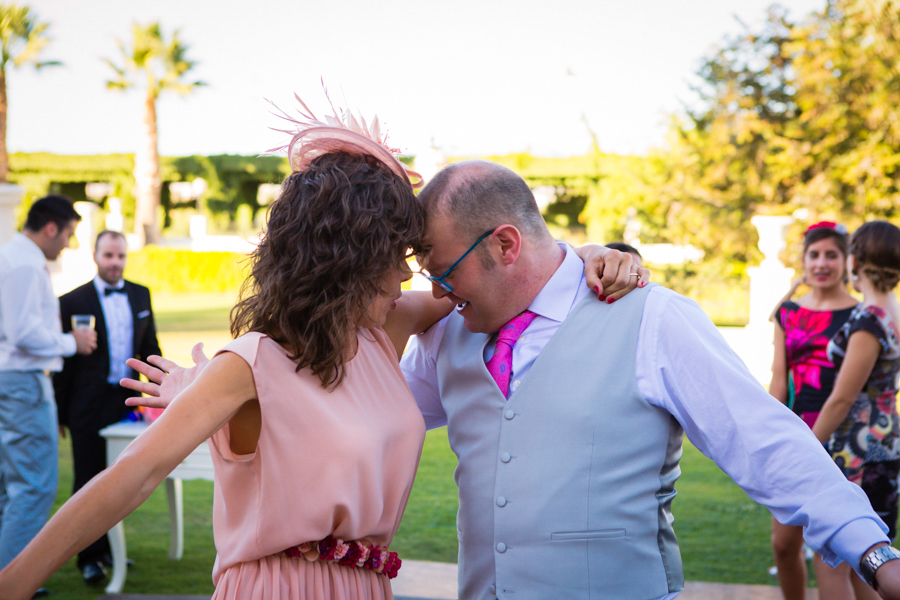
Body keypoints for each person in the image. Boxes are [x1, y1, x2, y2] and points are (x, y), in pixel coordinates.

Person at [120, 159, 900, 599]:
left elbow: (767, 443)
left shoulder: (652, 318)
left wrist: (874, 554)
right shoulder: (452, 338)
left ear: (502, 245)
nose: (434, 292)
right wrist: (221, 391)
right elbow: (340, 408)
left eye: (443, 271)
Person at [0, 100, 643, 600]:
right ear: (349, 259)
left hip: (367, 585)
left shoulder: (386, 330)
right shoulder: (250, 364)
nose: (409, 277)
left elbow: (518, 274)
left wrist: (593, 257)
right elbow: (127, 480)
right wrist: (15, 583)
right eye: (397, 258)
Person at [0, 195, 97, 596]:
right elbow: (23, 333)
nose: (68, 244)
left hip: (10, 381)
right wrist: (72, 343)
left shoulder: (11, 255)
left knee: (11, 487)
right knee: (35, 486)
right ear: (52, 227)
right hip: (22, 382)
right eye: (69, 234)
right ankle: (12, 584)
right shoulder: (24, 263)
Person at [53, 229, 161, 584]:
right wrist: (60, 413)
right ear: (96, 256)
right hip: (86, 405)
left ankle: (111, 550)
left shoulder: (140, 294)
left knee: (122, 482)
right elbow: (62, 365)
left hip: (126, 403)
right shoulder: (71, 301)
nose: (115, 263)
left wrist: (162, 396)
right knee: (87, 481)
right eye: (108, 256)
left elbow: (150, 348)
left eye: (120, 256)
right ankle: (88, 556)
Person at [807, 221, 900, 600]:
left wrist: (809, 445)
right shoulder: (892, 310)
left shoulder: (869, 319)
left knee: (832, 557)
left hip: (855, 450)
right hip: (885, 443)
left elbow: (843, 398)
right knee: (872, 561)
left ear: (855, 259)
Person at [768, 222, 859, 600]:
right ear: (804, 261)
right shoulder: (787, 313)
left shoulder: (862, 315)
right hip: (794, 434)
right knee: (783, 544)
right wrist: (766, 439)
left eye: (831, 255)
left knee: (837, 553)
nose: (822, 263)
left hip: (845, 437)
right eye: (815, 255)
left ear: (846, 260)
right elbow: (778, 380)